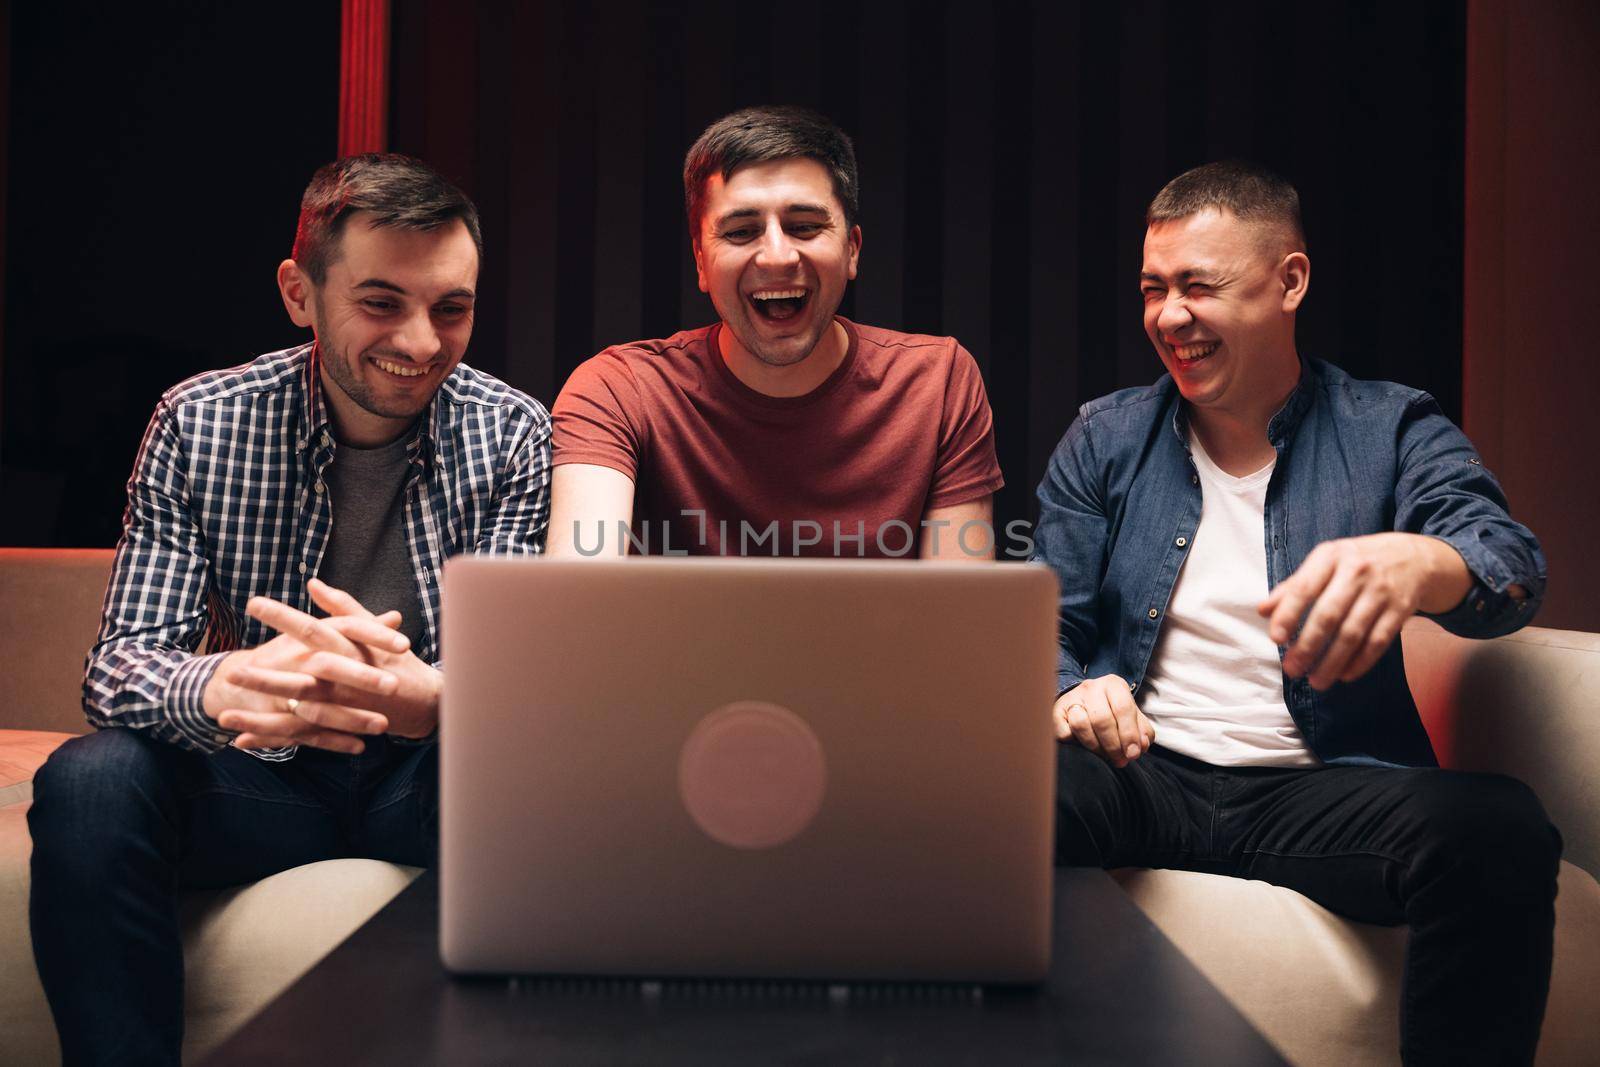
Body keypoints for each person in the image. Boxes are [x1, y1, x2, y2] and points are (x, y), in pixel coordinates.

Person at [28, 154, 551, 1065]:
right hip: (259, 775)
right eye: (382, 302)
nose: (422, 342)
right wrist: (226, 682)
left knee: (540, 780)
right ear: (299, 292)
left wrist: (433, 697)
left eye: (452, 307)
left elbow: (525, 696)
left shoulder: (513, 433)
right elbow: (119, 665)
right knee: (89, 777)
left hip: (422, 781)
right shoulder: (201, 419)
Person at [1035, 161, 1559, 1066]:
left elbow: (1509, 565)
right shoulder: (1105, 437)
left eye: (1200, 286)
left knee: (1499, 826)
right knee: (1019, 795)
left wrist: (1423, 561)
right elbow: (1045, 628)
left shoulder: (1389, 427)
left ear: (1290, 281)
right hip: (1143, 767)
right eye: (1154, 289)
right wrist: (1071, 693)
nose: (1169, 316)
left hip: (1319, 788)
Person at [548, 105, 1003, 560]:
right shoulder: (619, 389)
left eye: (804, 226)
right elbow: (580, 598)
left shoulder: (937, 382)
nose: (777, 257)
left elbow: (959, 621)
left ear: (852, 250)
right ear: (701, 262)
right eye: (742, 231)